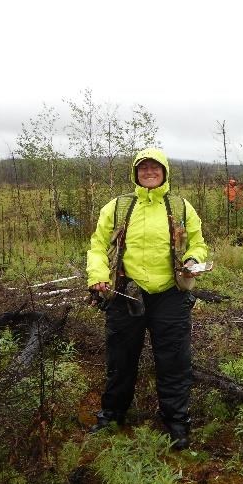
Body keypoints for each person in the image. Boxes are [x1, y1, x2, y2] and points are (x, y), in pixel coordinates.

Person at [87, 148, 208, 450]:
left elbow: (199, 244)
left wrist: (192, 260)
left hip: (170, 295)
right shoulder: (118, 207)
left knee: (174, 361)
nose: (149, 172)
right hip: (125, 292)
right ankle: (112, 416)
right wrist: (97, 276)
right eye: (143, 168)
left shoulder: (181, 207)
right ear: (135, 173)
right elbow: (98, 245)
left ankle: (176, 424)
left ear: (165, 172)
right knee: (120, 358)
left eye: (155, 167)